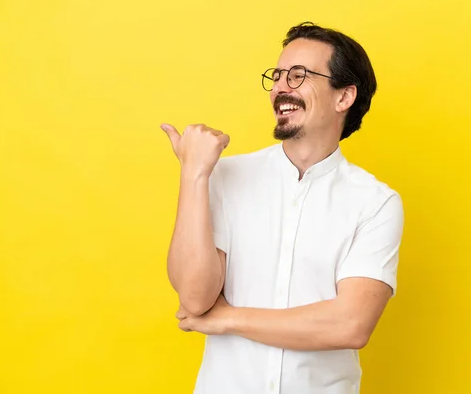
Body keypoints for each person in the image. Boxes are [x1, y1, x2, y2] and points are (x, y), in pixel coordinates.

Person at [160, 21, 404, 394]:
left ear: (344, 97)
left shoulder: (375, 203)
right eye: (276, 76)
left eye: (298, 76)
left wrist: (228, 318)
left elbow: (351, 325)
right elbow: (195, 297)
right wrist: (194, 174)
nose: (279, 88)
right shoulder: (225, 176)